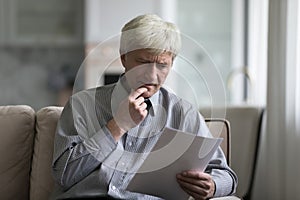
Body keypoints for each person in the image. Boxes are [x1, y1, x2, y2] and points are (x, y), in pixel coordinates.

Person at [51, 14, 238, 200]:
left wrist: (212, 186)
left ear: (172, 63)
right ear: (123, 58)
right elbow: (64, 176)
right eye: (143, 62)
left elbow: (226, 176)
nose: (152, 75)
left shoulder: (184, 114)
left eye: (162, 65)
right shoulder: (81, 105)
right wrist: (118, 126)